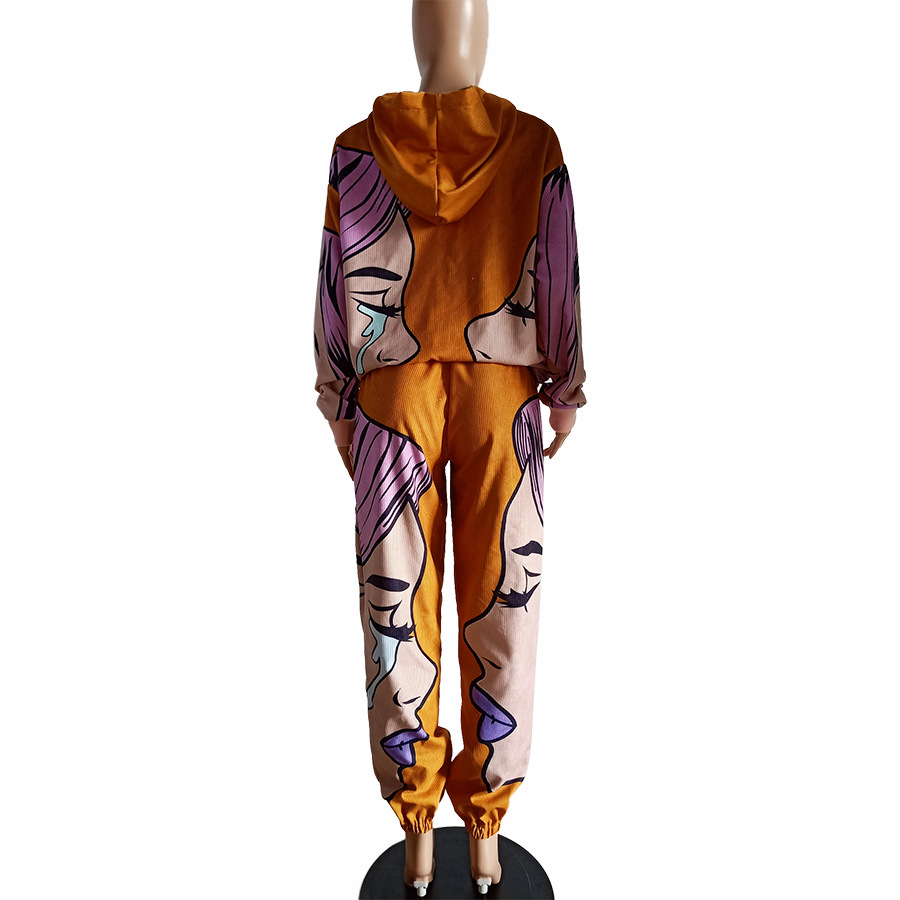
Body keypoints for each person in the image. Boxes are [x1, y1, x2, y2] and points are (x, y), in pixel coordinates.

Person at [312, 1, 586, 893]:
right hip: (504, 391)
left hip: (392, 393)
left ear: (417, 34)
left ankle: (419, 837)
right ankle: (487, 840)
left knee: (395, 611)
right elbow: (558, 265)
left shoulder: (357, 148)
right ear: (479, 34)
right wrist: (566, 386)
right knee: (506, 604)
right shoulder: (534, 145)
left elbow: (335, 275)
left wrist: (336, 397)